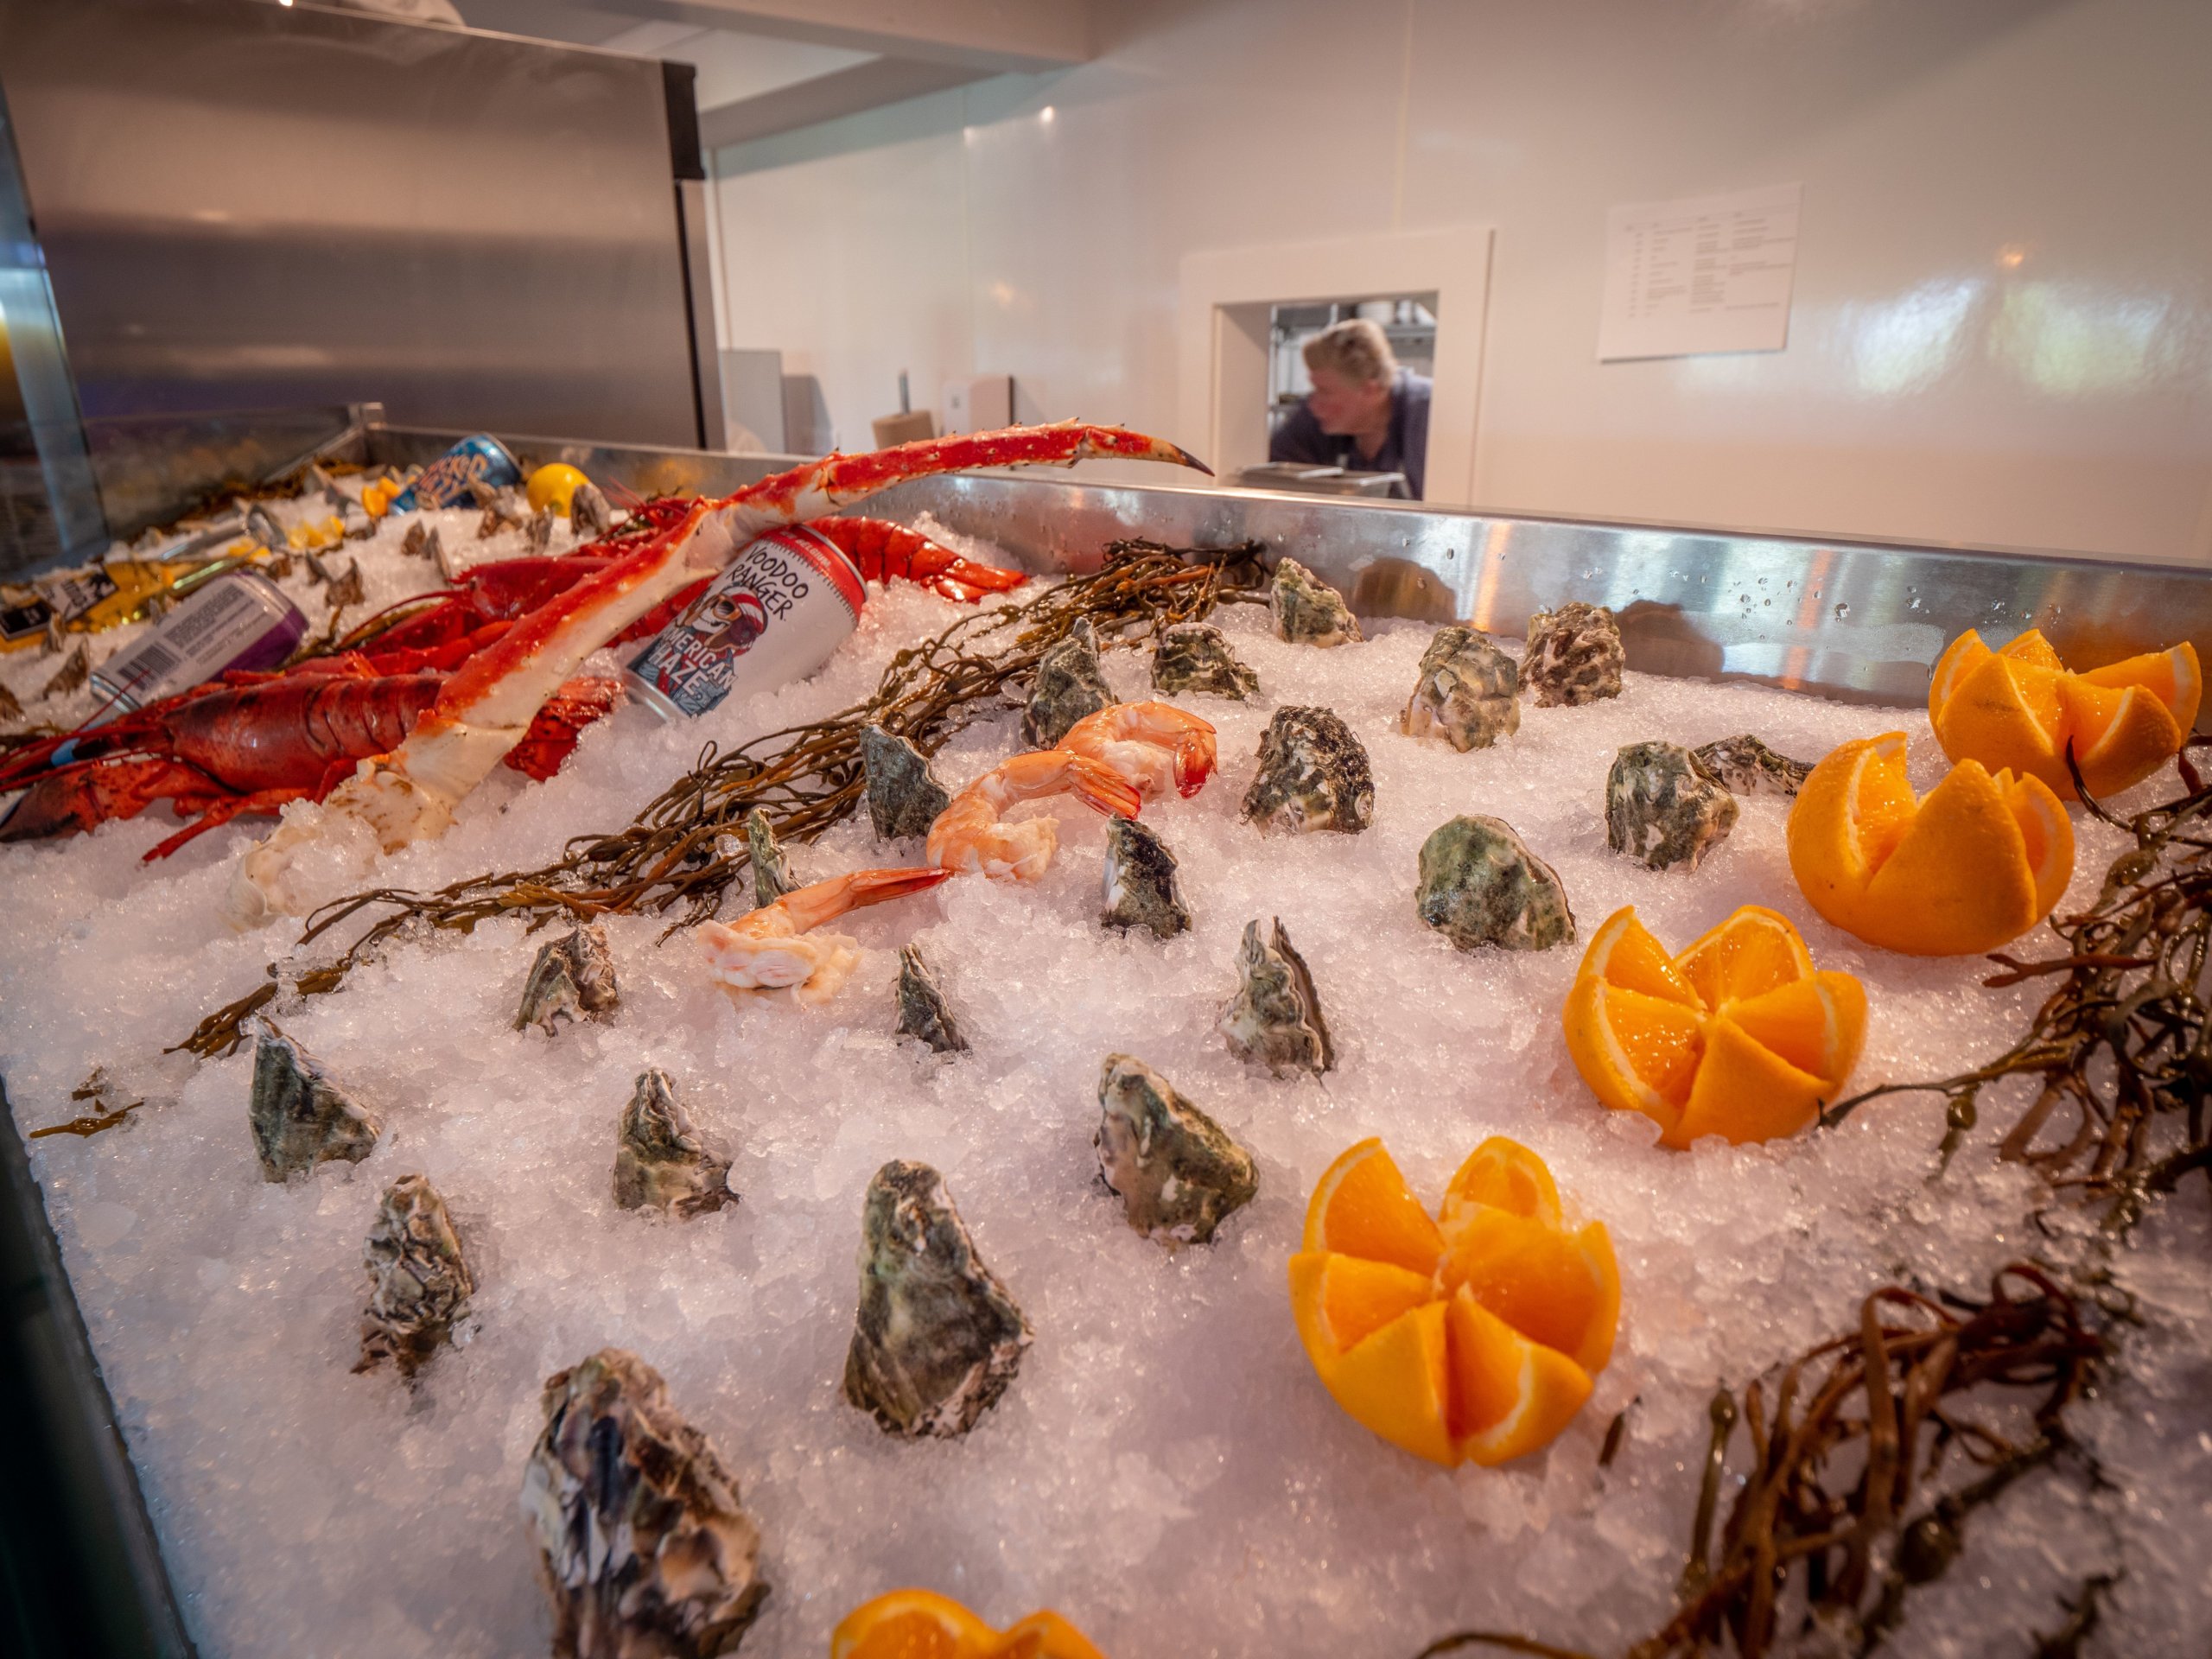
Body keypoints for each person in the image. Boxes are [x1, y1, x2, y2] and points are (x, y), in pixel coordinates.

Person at [1268, 317, 1432, 499]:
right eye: (1314, 389)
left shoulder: (1427, 414)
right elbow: (1273, 478)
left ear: (1371, 390)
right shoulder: (1314, 420)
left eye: (1325, 392)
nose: (1314, 405)